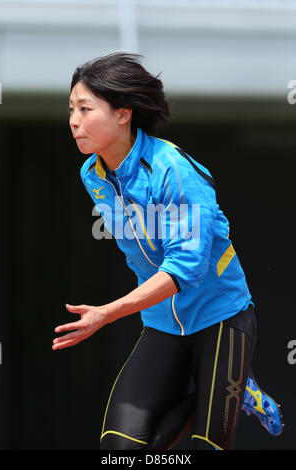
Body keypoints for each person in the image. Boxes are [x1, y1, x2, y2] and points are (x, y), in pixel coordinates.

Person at [52, 52, 283, 450]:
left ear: (123, 114)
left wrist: (106, 313)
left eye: (86, 109)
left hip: (221, 317)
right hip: (162, 322)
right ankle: (232, 388)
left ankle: (238, 388)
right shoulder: (93, 174)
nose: (74, 120)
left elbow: (183, 270)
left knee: (208, 445)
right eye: (71, 109)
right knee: (120, 449)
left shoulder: (173, 170)